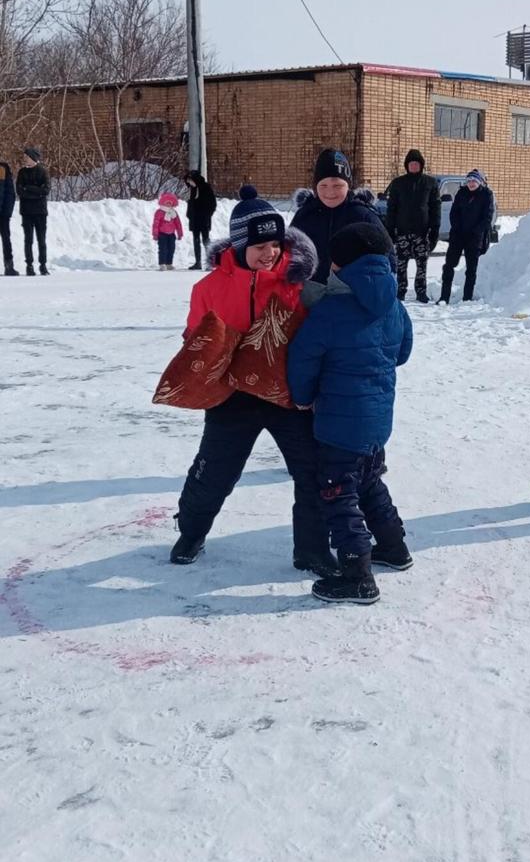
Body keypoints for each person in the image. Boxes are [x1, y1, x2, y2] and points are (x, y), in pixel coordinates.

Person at [171, 189, 338, 579]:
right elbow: (195, 336)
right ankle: (191, 532)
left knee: (311, 471)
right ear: (240, 245)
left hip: (286, 395)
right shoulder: (209, 289)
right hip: (234, 396)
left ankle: (312, 549)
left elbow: (317, 339)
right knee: (214, 471)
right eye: (259, 245)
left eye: (275, 244)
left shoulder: (298, 284)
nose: (269, 253)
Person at [287, 221, 413, 604]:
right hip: (377, 422)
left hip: (339, 427)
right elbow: (403, 353)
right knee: (370, 482)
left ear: (339, 266)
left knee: (337, 493)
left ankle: (357, 572)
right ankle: (394, 546)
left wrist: (303, 396)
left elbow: (303, 358)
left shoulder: (329, 310)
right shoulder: (394, 305)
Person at [291, 148, 393, 285]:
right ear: (315, 186)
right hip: (310, 296)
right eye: (323, 185)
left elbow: (388, 258)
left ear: (348, 185)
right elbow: (287, 254)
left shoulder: (363, 216)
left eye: (337, 185)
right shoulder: (305, 216)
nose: (330, 192)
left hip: (352, 295)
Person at [385, 149, 440, 303]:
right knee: (401, 264)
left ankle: (421, 291)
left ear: (421, 165)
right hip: (402, 231)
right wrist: (390, 230)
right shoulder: (398, 183)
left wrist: (434, 230)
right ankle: (401, 290)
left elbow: (436, 207)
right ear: (407, 166)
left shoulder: (430, 183)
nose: (414, 166)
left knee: (422, 264)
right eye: (411, 164)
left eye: (416, 163)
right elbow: (392, 209)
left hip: (422, 233)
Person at [437, 169, 494, 304]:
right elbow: (454, 212)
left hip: (475, 237)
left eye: (474, 181)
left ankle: (467, 298)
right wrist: (456, 227)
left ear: (480, 182)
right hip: (458, 235)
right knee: (449, 265)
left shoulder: (486, 194)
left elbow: (487, 217)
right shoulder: (461, 192)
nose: (471, 183)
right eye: (469, 181)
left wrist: (477, 231)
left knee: (471, 268)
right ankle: (444, 297)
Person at [16, 147, 50, 276]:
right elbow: (20, 191)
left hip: (40, 212)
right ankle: (29, 265)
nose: (25, 159)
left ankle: (43, 265)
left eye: (27, 157)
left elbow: (45, 191)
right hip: (26, 212)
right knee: (28, 240)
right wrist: (35, 191)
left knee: (41, 240)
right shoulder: (22, 172)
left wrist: (28, 188)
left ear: (33, 158)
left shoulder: (43, 172)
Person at [185, 170, 217, 270]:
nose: (189, 183)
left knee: (205, 240)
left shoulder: (206, 187)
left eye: (190, 181)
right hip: (194, 219)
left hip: (203, 218)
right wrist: (189, 214)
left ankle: (210, 263)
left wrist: (208, 215)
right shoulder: (193, 188)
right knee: (196, 240)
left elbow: (212, 203)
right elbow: (192, 203)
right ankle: (198, 262)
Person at [152, 192, 184, 270]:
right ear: (163, 202)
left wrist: (180, 233)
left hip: (171, 234)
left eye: (170, 203)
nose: (169, 204)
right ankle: (162, 264)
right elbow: (156, 224)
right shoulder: (159, 212)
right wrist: (155, 234)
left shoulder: (174, 213)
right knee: (163, 249)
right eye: (167, 203)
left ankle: (169, 263)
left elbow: (178, 223)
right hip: (162, 234)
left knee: (171, 249)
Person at [0, 157, 16, 275]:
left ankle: (9, 266)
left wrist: (7, 212)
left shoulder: (3, 168)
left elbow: (10, 193)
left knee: (6, 239)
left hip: (3, 214)